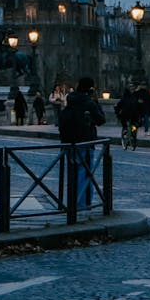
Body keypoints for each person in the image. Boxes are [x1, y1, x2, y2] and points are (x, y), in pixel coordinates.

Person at [60, 77, 106, 207]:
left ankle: (71, 203)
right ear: (91, 89)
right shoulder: (89, 103)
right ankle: (82, 205)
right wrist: (95, 100)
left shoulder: (70, 100)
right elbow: (101, 120)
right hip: (85, 142)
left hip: (69, 142)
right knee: (85, 175)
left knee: (72, 175)